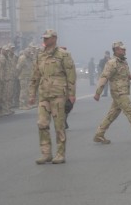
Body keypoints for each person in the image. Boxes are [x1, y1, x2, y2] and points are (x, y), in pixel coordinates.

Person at [28, 29, 77, 165]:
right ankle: (46, 153)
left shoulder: (63, 54)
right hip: (44, 95)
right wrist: (32, 94)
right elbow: (35, 76)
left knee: (59, 125)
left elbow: (71, 75)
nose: (44, 40)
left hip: (58, 95)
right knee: (42, 124)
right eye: (43, 38)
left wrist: (71, 94)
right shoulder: (40, 56)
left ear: (54, 39)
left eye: (47, 38)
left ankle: (60, 154)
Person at [93, 41, 131, 145]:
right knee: (130, 112)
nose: (124, 50)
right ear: (116, 50)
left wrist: (129, 76)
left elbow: (121, 74)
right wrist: (98, 93)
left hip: (123, 91)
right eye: (122, 49)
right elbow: (104, 77)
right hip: (119, 93)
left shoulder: (123, 62)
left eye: (124, 49)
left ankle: (99, 134)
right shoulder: (111, 63)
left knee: (112, 114)